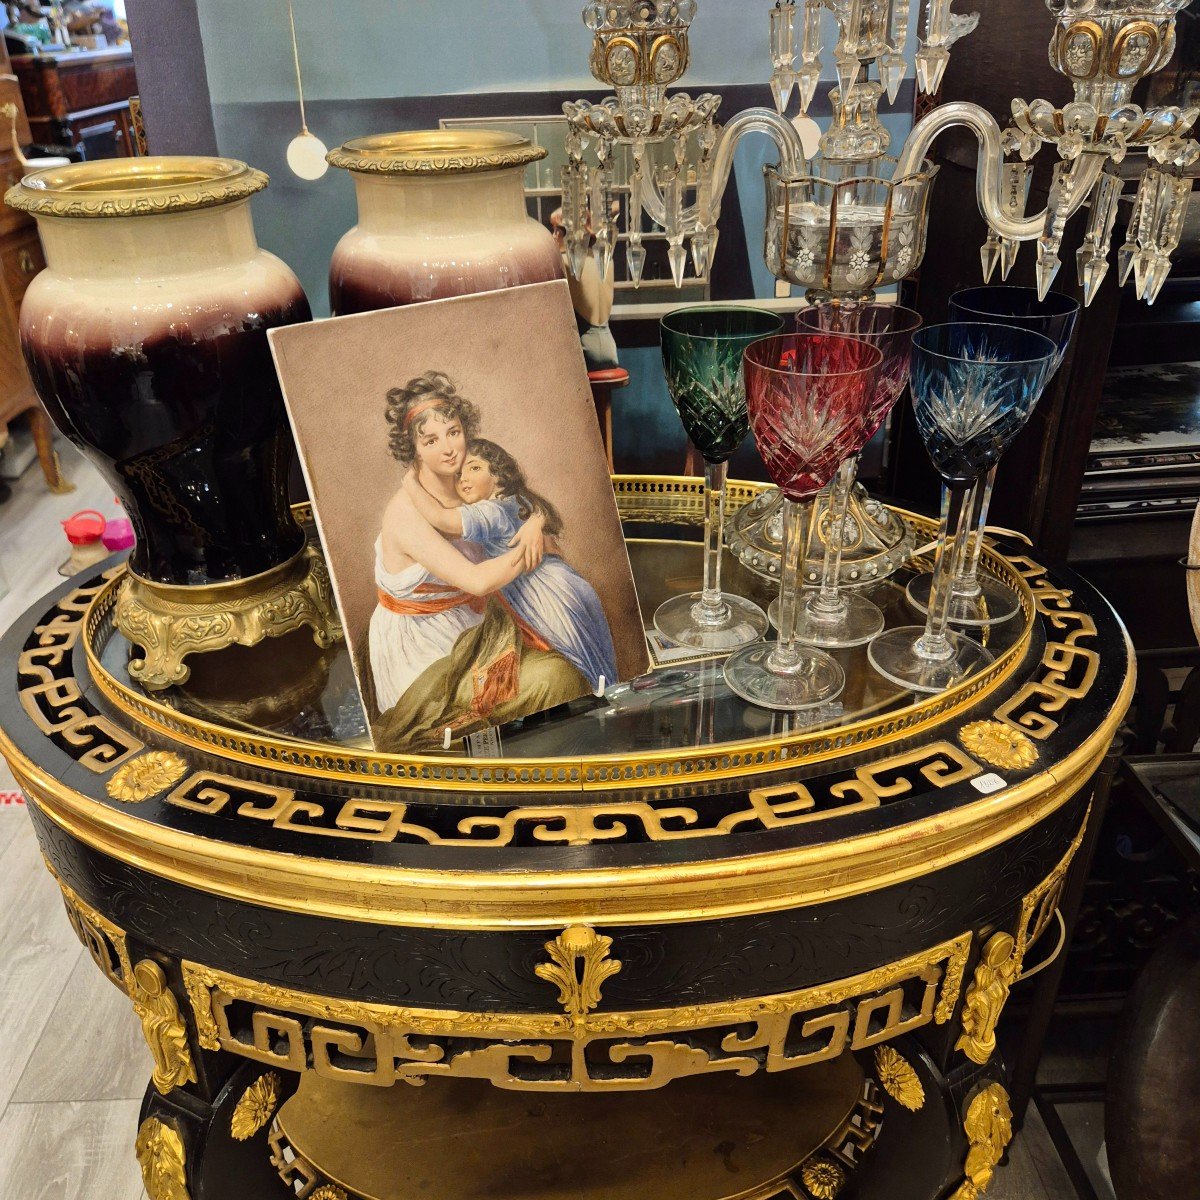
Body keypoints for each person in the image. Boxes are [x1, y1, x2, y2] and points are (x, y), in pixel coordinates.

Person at [369, 372, 586, 749]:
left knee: (566, 671)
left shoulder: (467, 480)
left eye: (453, 432)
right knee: (555, 679)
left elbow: (519, 501)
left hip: (475, 629)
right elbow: (478, 582)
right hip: (426, 652)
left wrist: (535, 521)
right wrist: (529, 546)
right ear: (414, 449)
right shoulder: (404, 514)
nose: (449, 448)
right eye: (431, 440)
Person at [403, 437, 618, 691]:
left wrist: (410, 483)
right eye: (459, 473)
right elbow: (545, 513)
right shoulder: (521, 501)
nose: (463, 478)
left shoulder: (490, 511)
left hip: (544, 594)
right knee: (601, 668)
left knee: (578, 667)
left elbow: (441, 518)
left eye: (474, 468)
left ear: (499, 475)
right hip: (570, 584)